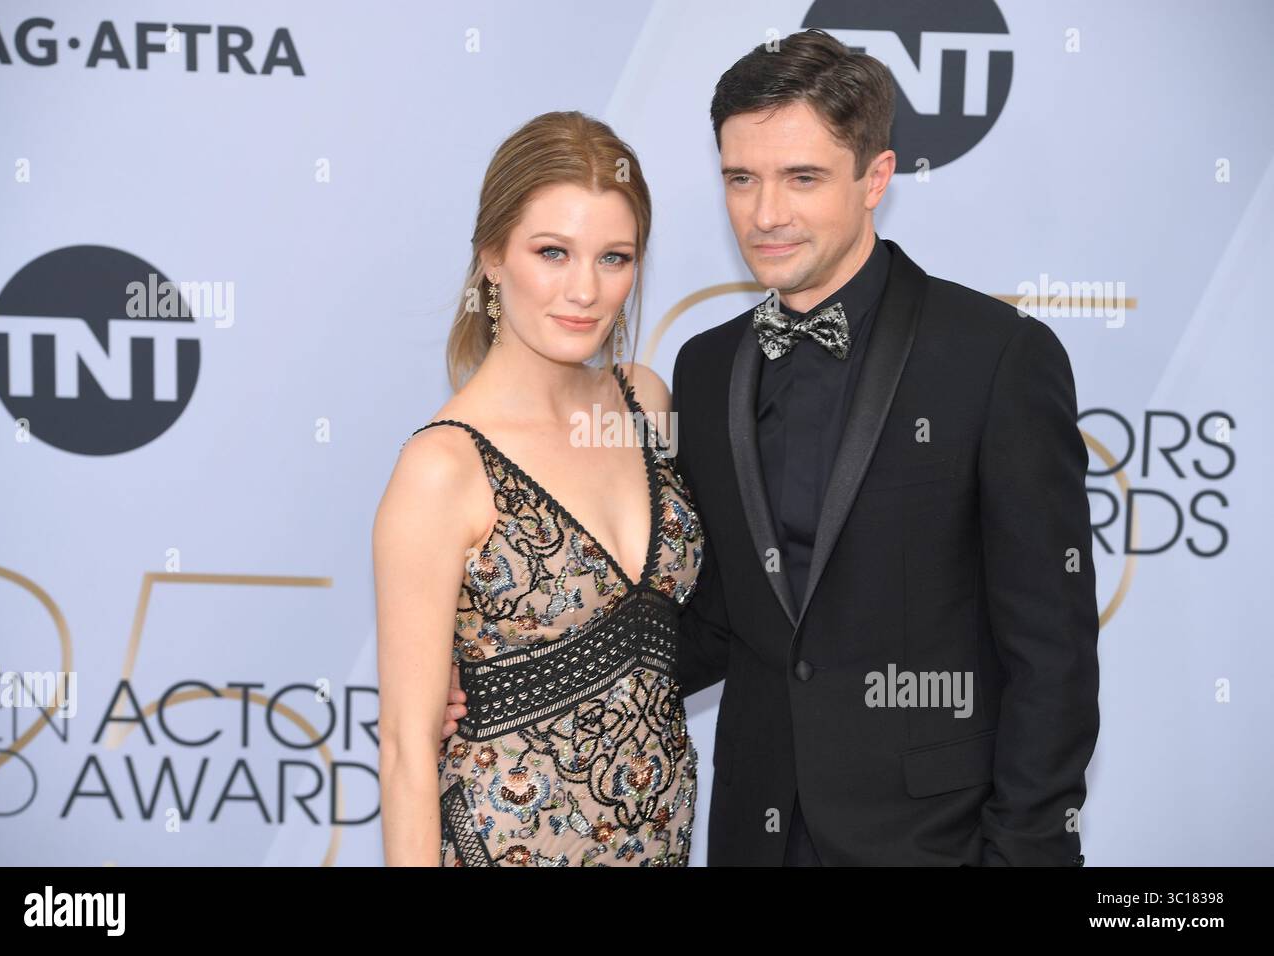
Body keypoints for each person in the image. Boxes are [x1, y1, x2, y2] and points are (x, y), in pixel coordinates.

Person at [442, 30, 1100, 866]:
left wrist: (1027, 853)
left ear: (877, 178)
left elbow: (1053, 651)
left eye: (803, 178)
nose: (766, 215)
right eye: (741, 179)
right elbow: (715, 619)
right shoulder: (707, 366)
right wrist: (516, 682)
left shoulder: (995, 356)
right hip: (753, 827)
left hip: (938, 841)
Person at [375, 111, 706, 866]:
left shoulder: (645, 402)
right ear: (493, 257)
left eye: (614, 257)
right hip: (503, 843)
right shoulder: (444, 467)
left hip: (658, 838)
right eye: (552, 252)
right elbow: (404, 752)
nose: (584, 290)